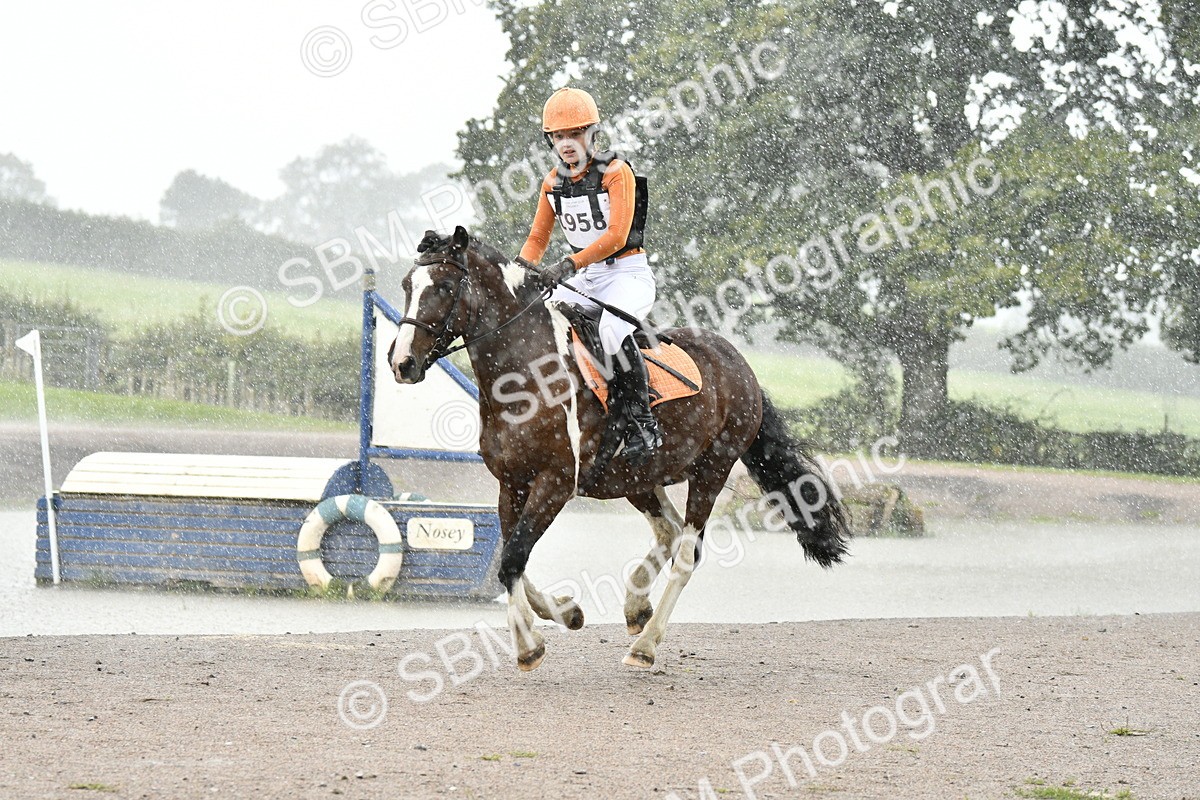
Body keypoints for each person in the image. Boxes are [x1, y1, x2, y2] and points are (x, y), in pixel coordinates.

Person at [517, 86, 663, 465]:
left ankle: (642, 423)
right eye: (558, 136)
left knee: (611, 330)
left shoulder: (616, 172)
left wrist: (568, 265)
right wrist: (518, 274)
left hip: (627, 274)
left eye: (575, 134)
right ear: (550, 140)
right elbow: (537, 239)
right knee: (536, 317)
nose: (566, 143)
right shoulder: (552, 182)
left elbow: (616, 236)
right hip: (585, 276)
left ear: (592, 133)